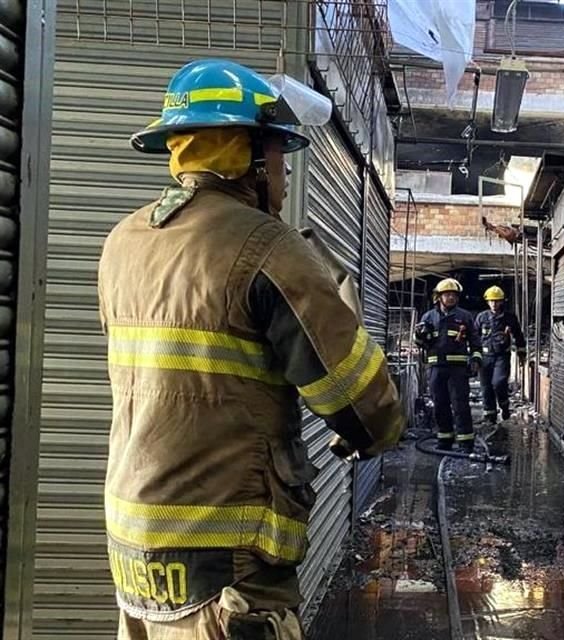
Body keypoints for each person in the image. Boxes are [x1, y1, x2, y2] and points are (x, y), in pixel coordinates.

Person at [98, 59, 405, 640]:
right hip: (228, 565)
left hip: (135, 550)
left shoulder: (123, 242)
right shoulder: (266, 246)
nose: (285, 176)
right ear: (250, 156)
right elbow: (366, 407)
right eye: (281, 158)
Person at [414, 278, 482, 451]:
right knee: (440, 405)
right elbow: (420, 343)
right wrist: (420, 337)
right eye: (447, 295)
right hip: (435, 368)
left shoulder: (464, 316)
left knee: (460, 405)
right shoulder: (428, 316)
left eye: (454, 295)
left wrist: (475, 359)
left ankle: (466, 442)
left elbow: (475, 341)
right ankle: (444, 440)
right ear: (439, 297)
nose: (451, 298)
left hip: (457, 370)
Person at [474, 285, 526, 423]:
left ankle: (504, 405)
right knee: (486, 387)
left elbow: (518, 335)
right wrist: (473, 357)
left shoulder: (509, 318)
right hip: (485, 357)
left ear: (502, 301)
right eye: (491, 301)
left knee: (499, 382)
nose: (494, 304)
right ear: (487, 301)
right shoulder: (481, 317)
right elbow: (474, 337)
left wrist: (522, 352)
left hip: (502, 356)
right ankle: (490, 416)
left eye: (497, 301)